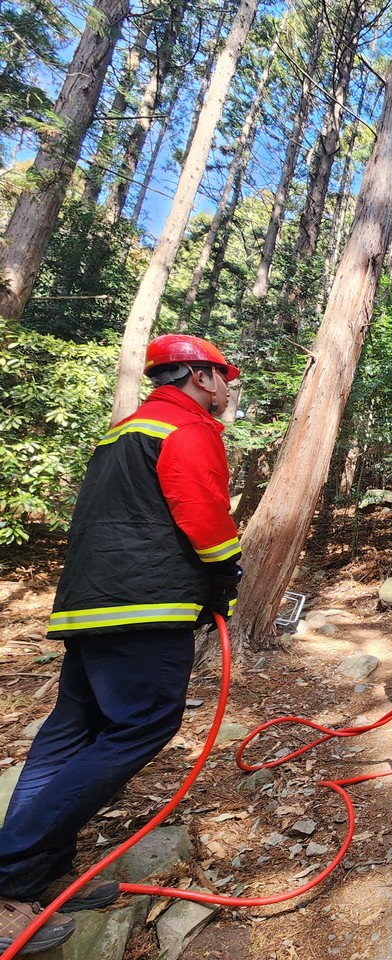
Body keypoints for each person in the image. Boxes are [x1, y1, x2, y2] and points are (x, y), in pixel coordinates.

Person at [0, 335, 242, 955]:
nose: (226, 387)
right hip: (146, 609)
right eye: (220, 375)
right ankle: (10, 882)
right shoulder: (187, 429)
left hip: (90, 605)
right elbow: (204, 513)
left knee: (69, 734)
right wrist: (225, 576)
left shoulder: (122, 432)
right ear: (195, 376)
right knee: (140, 728)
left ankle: (38, 876)